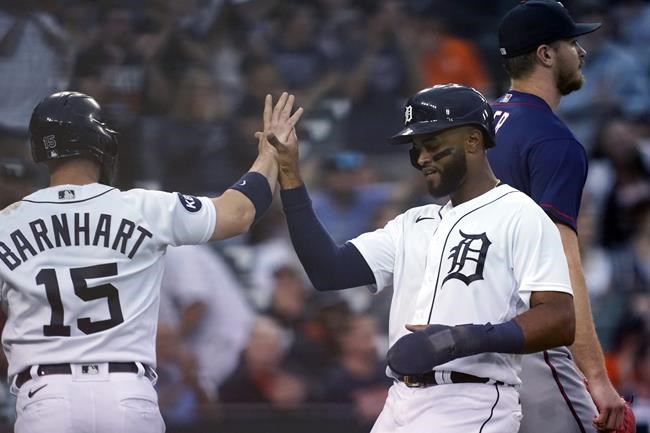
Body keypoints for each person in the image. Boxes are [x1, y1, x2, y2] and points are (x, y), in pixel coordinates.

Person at [268, 83, 576, 432]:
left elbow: (560, 319)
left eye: (432, 144)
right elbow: (328, 271)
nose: (422, 158)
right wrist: (290, 173)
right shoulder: (412, 223)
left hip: (469, 401)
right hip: (399, 400)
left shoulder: (520, 214)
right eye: (416, 150)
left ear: (473, 140)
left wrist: (463, 338)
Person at [0, 90, 302, 433]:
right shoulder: (143, 208)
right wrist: (268, 154)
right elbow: (240, 213)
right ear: (101, 142)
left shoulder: (7, 224)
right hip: (127, 394)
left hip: (45, 397)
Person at [488, 1, 628, 432]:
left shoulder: (476, 124)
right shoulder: (553, 141)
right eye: (571, 42)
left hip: (466, 325)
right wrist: (598, 377)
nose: (581, 52)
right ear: (547, 54)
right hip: (530, 335)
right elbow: (562, 268)